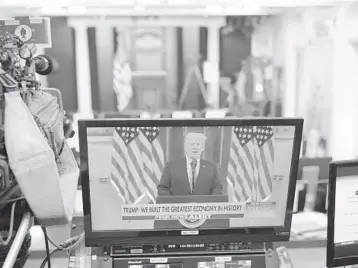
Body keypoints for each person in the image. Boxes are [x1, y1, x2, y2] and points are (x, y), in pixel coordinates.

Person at [157, 132, 223, 196]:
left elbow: (217, 188)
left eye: (198, 144)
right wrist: (173, 204)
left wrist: (210, 203)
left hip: (202, 206)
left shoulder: (211, 167)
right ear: (185, 147)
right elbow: (162, 188)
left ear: (203, 148)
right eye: (192, 144)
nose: (195, 147)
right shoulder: (171, 166)